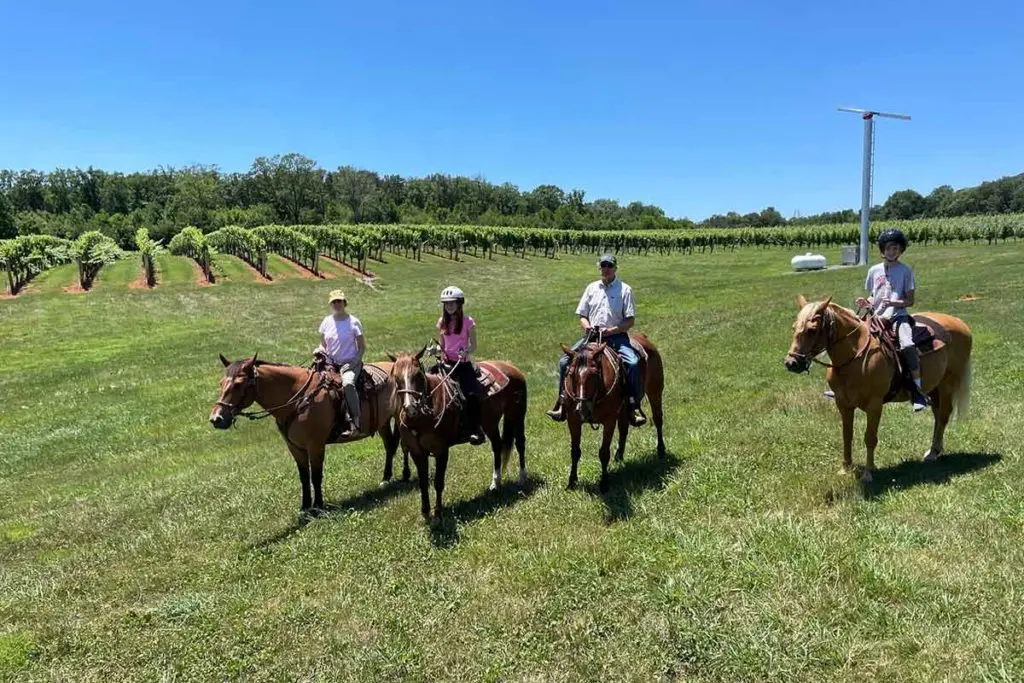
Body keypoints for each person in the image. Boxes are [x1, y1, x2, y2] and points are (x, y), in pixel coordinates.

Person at [547, 254, 645, 426]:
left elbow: (630, 320)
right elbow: (582, 315)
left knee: (634, 362)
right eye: (603, 265)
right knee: (564, 362)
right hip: (591, 336)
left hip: (616, 336)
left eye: (609, 265)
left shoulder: (625, 290)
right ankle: (562, 403)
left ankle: (632, 404)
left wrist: (613, 330)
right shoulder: (591, 288)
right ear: (599, 267)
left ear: (615, 268)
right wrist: (587, 327)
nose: (606, 269)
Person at [856, 228, 930, 412]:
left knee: (907, 345)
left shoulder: (905, 271)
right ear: (882, 250)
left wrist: (895, 302)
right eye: (888, 248)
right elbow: (874, 295)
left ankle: (918, 390)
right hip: (876, 316)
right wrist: (867, 302)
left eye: (895, 248)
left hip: (898, 316)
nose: (891, 252)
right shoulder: (874, 270)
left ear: (901, 250)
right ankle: (849, 384)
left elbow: (910, 300)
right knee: (853, 340)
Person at [437, 286, 486, 445]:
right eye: (446, 304)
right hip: (446, 363)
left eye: (452, 303)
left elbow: (474, 345)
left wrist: (466, 351)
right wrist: (435, 349)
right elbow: (442, 345)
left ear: (460, 304)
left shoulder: (468, 322)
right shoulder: (442, 322)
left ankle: (476, 429)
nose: (449, 306)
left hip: (463, 365)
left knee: (470, 395)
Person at [314, 290, 365, 438]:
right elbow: (323, 344)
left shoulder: (354, 322)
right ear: (331, 304)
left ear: (344, 303)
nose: (337, 304)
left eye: (339, 301)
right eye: (334, 302)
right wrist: (319, 350)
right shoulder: (326, 322)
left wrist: (354, 362)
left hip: (350, 363)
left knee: (348, 383)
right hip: (330, 363)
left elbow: (362, 347)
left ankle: (355, 421)